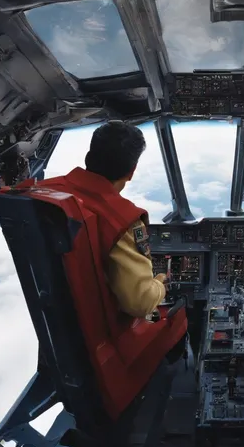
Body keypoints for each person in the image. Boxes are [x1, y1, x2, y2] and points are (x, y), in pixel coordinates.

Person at [38, 120, 169, 318]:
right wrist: (159, 284)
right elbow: (139, 303)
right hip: (104, 336)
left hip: (51, 319)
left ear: (89, 157)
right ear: (131, 173)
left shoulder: (42, 191)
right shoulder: (123, 221)